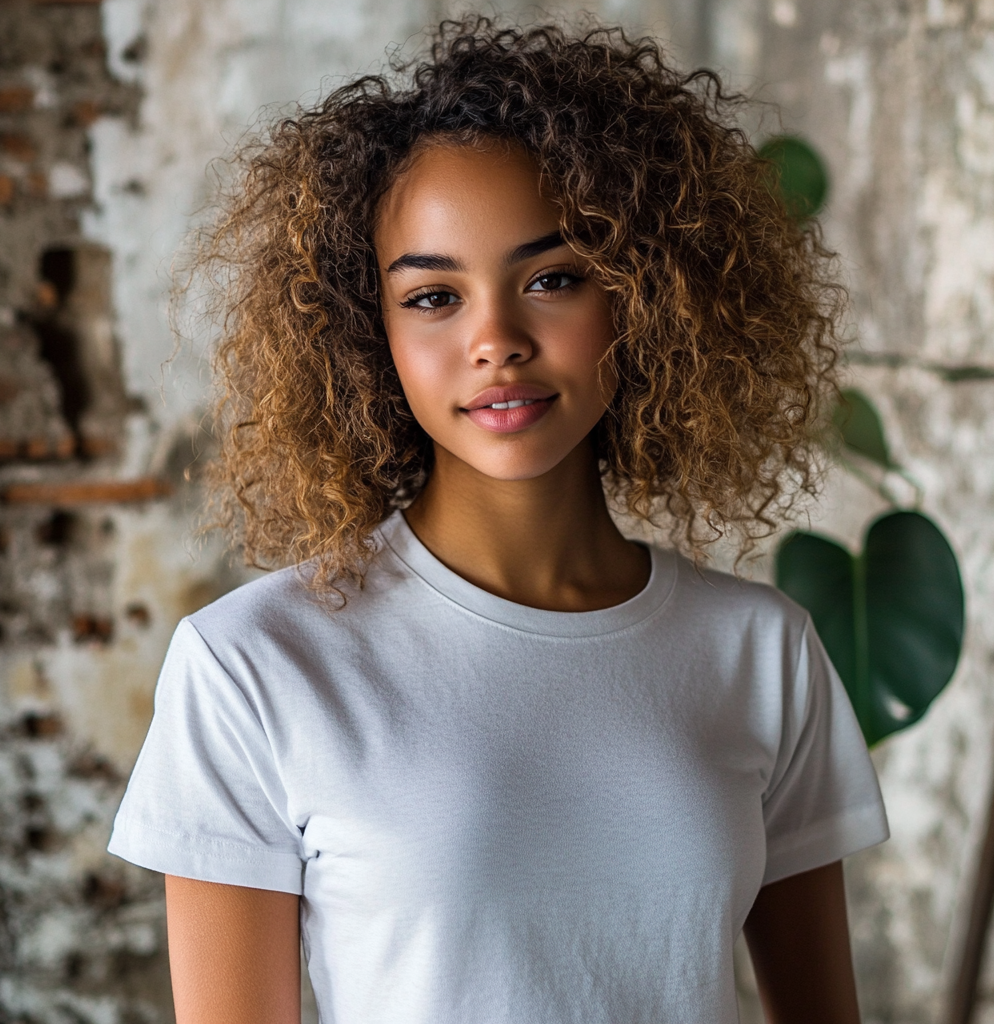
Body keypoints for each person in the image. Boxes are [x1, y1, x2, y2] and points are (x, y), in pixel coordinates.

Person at [108, 20, 889, 1024]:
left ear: (641, 293)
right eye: (433, 295)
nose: (496, 341)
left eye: (552, 278)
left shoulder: (757, 649)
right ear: (366, 332)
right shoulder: (254, 665)